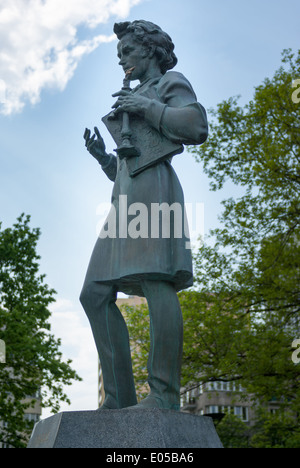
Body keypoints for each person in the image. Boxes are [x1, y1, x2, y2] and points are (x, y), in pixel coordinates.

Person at [80, 20, 208, 411]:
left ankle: (164, 396)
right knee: (94, 294)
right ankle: (118, 399)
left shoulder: (170, 83)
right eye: (119, 56)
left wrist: (147, 106)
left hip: (155, 192)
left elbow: (196, 125)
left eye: (128, 52)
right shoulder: (130, 97)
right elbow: (131, 159)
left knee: (156, 282)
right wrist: (105, 158)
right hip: (123, 200)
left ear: (149, 50)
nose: (123, 62)